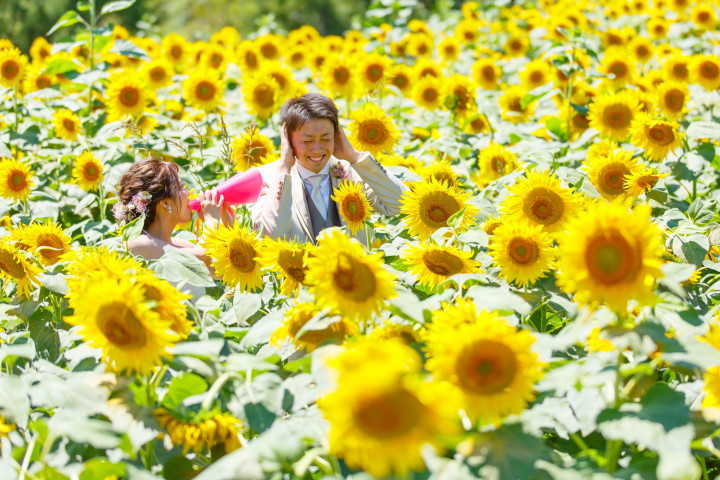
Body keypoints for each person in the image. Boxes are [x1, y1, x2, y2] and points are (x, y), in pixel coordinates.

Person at [251, 93, 409, 245]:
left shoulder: (353, 172)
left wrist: (353, 155)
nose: (317, 149)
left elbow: (400, 203)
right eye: (307, 140)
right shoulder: (266, 179)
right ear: (288, 140)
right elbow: (271, 234)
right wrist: (284, 167)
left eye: (326, 138)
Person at [114, 157, 233, 265]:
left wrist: (228, 224)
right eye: (181, 187)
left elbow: (226, 270)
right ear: (166, 203)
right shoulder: (139, 244)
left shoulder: (183, 245)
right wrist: (211, 220)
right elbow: (201, 256)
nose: (188, 192)